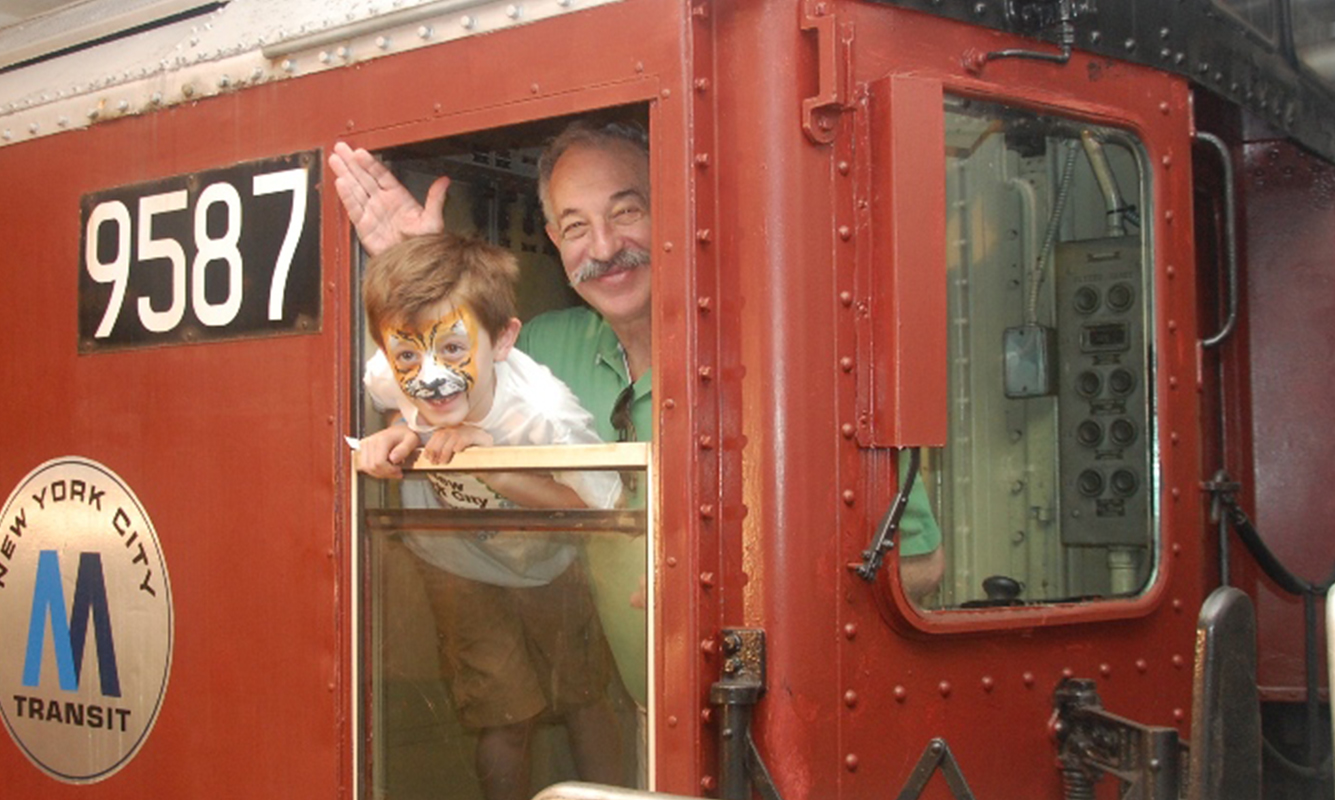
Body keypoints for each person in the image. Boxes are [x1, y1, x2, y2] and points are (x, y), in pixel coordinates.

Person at [332, 118, 945, 701]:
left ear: (675, 211)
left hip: (784, 723)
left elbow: (919, 567)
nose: (603, 246)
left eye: (627, 211)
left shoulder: (788, 358)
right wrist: (425, 276)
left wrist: (740, 598)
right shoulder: (543, 350)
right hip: (647, 717)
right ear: (555, 242)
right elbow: (451, 390)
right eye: (575, 226)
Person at [357, 233, 631, 800]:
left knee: (582, 699)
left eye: (454, 350)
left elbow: (609, 507)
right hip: (455, 562)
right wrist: (400, 430)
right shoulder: (391, 370)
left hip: (547, 565)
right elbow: (393, 397)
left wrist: (503, 473)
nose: (429, 376)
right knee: (503, 717)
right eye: (408, 356)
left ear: (504, 339)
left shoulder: (545, 414)